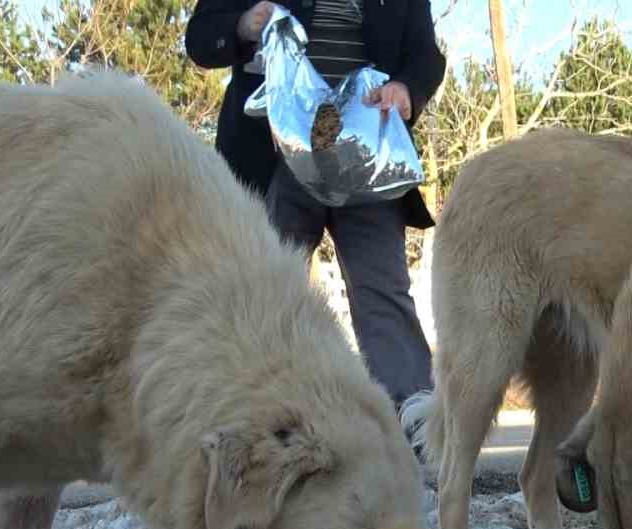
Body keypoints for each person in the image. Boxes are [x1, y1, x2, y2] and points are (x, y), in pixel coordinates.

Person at [186, 0, 445, 409]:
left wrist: (406, 89)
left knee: (385, 295)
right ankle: (248, 424)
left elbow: (426, 56)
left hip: (367, 154)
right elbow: (200, 39)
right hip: (272, 154)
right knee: (261, 297)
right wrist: (242, 25)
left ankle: (416, 434)